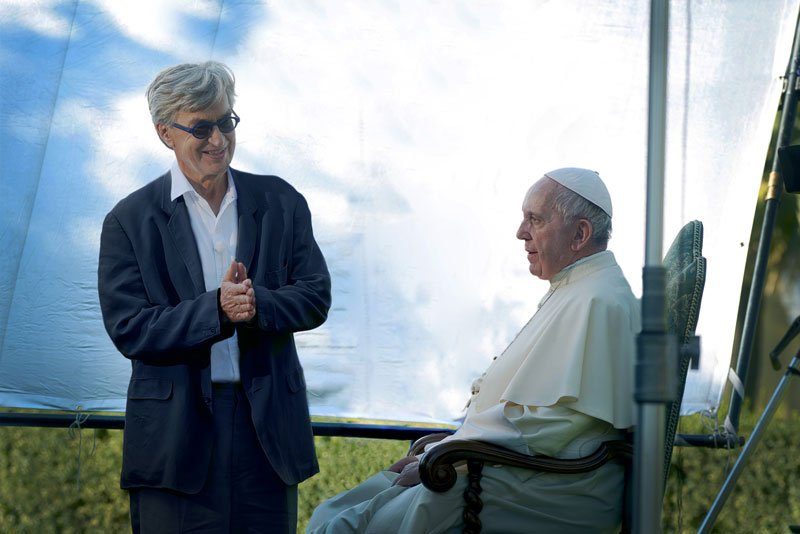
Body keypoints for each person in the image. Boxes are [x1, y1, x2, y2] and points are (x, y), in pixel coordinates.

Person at [308, 168, 639, 533]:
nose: (520, 232)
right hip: (519, 465)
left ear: (580, 234)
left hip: (556, 486)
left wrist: (452, 451)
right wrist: (453, 442)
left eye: (535, 219)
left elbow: (555, 425)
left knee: (354, 525)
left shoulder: (600, 300)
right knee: (332, 514)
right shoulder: (578, 287)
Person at [97, 61, 331, 533]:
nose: (219, 139)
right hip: (175, 438)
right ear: (165, 133)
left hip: (267, 434)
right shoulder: (129, 220)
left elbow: (315, 294)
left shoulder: (282, 202)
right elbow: (130, 329)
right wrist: (216, 310)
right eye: (201, 127)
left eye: (226, 121)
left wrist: (257, 304)